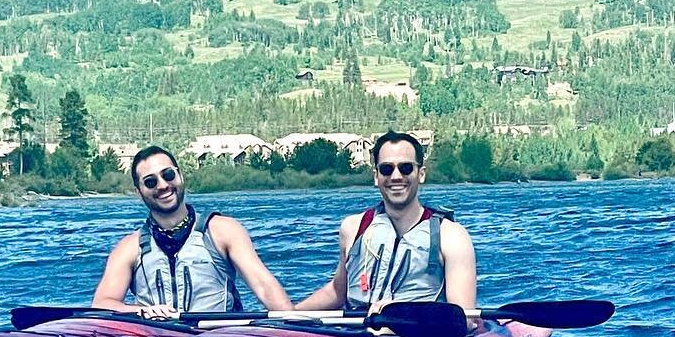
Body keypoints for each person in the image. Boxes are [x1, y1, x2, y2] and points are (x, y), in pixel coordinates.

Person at [91, 145, 293, 318]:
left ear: (180, 175)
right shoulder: (129, 248)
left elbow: (263, 286)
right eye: (150, 182)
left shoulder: (223, 230)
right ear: (139, 192)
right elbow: (102, 304)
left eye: (168, 174)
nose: (163, 185)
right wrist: (141, 311)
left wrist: (294, 326)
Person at [297, 130, 477, 315]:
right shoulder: (352, 228)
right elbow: (337, 291)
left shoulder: (452, 237)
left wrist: (398, 314)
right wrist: (289, 314)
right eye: (386, 169)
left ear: (421, 174)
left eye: (406, 168)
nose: (396, 176)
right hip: (356, 335)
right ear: (376, 176)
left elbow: (464, 317)